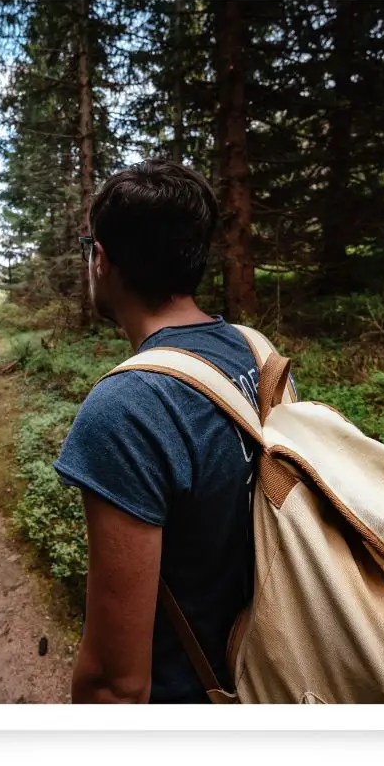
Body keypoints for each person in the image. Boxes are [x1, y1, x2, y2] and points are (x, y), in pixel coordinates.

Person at [55, 159, 283, 703]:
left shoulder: (126, 410)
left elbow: (116, 685)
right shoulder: (255, 349)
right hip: (278, 676)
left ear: (101, 261)